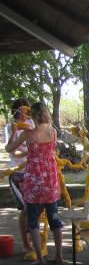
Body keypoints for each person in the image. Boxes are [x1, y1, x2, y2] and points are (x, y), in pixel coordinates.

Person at [5, 102, 63, 265]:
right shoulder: (53, 131)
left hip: (34, 180)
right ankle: (59, 255)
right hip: (50, 178)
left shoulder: (28, 134)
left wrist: (14, 132)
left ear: (33, 115)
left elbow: (9, 148)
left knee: (33, 220)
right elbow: (52, 150)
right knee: (54, 218)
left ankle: (39, 258)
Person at [6, 98, 34, 253]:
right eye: (23, 110)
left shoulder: (32, 124)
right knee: (25, 208)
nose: (26, 113)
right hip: (17, 173)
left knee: (34, 207)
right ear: (17, 111)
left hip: (32, 171)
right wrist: (28, 152)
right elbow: (11, 152)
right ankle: (26, 243)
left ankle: (32, 239)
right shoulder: (11, 127)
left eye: (28, 110)